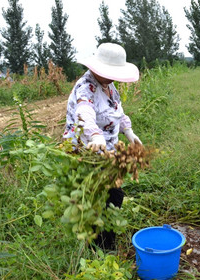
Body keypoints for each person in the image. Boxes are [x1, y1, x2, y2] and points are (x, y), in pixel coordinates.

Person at [63, 42, 142, 250]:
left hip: (106, 151)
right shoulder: (85, 87)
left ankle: (107, 242)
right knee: (99, 200)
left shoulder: (109, 85)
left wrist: (128, 131)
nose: (113, 76)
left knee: (113, 196)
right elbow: (84, 113)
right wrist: (96, 135)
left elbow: (118, 110)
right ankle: (98, 249)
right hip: (86, 151)